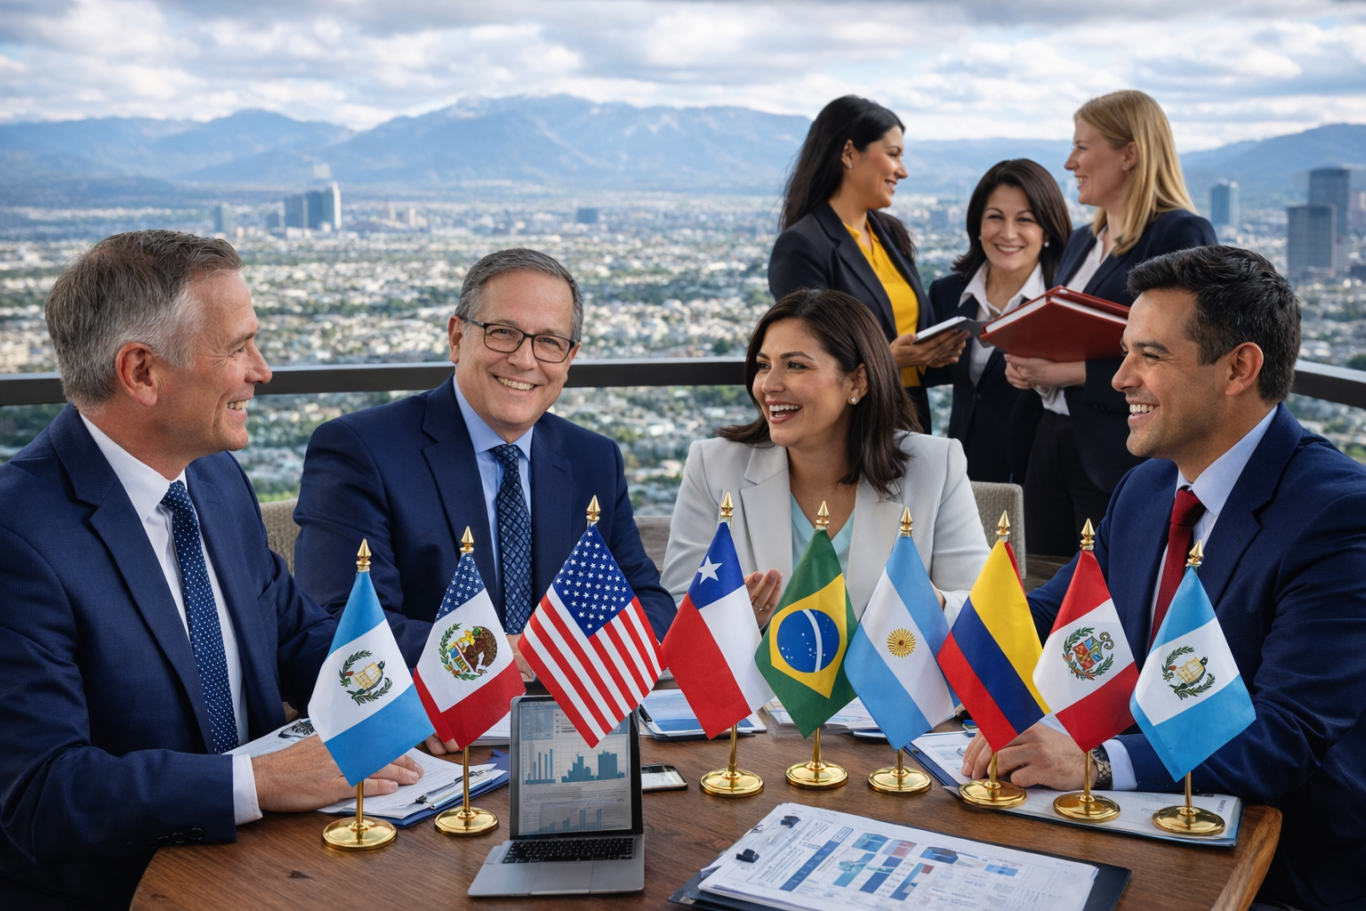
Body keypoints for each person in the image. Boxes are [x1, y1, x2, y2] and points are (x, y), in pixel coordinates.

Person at [0, 231, 421, 911]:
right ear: (141, 372)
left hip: (276, 865)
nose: (262, 371)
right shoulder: (18, 537)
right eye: (237, 348)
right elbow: (43, 793)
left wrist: (412, 703)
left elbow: (296, 637)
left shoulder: (215, 478)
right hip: (133, 890)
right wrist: (262, 781)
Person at [963, 246, 1366, 911]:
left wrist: (1095, 762)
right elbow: (1047, 617)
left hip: (1273, 871)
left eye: (1149, 356)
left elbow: (1283, 735)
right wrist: (919, 638)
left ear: (1238, 368)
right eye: (1126, 352)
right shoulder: (1146, 487)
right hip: (1124, 830)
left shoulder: (1339, 515)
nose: (1120, 378)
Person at [293, 248, 675, 701]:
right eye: (503, 333)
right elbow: (341, 624)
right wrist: (499, 655)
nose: (524, 359)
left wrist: (566, 656)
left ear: (569, 358)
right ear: (457, 338)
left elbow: (647, 603)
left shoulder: (594, 458)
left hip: (572, 717)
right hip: (433, 725)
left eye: (549, 341)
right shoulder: (362, 451)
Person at [661, 289, 989, 625]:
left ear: (857, 382)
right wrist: (734, 620)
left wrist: (931, 603)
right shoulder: (713, 467)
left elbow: (983, 611)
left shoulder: (936, 466)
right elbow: (676, 607)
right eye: (763, 365)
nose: (768, 385)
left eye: (795, 365)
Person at [1004, 90, 1216, 556]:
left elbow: (1184, 357)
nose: (1069, 163)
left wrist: (1064, 372)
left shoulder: (1180, 233)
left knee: (1107, 585)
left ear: (1129, 155)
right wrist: (1032, 362)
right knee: (1039, 576)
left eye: (1082, 147)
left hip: (1119, 447)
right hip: (1048, 438)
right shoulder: (1082, 239)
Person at [768, 95, 967, 433]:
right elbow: (806, 359)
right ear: (848, 153)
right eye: (893, 154)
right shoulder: (803, 245)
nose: (903, 170)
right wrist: (889, 360)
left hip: (911, 421)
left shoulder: (890, 235)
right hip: (850, 431)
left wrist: (934, 353)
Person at [925, 159, 1072, 482]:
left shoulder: (1063, 307)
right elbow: (926, 375)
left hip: (1034, 479)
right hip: (959, 474)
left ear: (1047, 231)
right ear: (977, 224)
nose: (1008, 233)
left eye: (1025, 220)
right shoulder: (947, 293)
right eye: (995, 217)